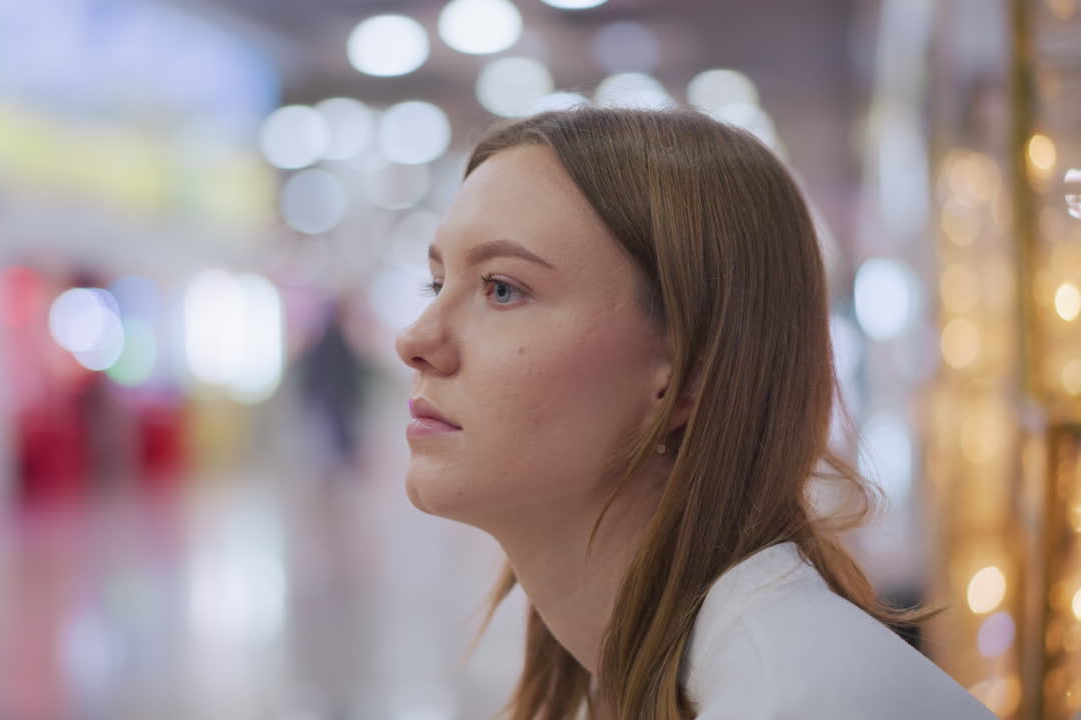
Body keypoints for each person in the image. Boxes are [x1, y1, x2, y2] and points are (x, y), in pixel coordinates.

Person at [394, 107, 996, 720]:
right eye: (436, 284)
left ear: (688, 374)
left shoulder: (795, 698)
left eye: (502, 288)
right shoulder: (643, 674)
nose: (415, 338)